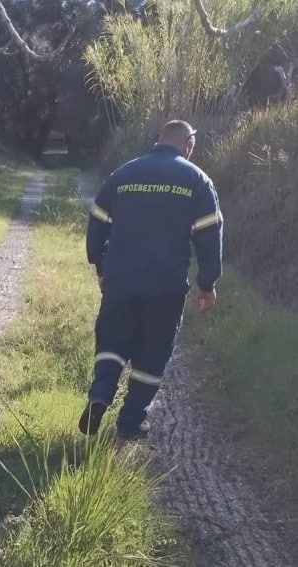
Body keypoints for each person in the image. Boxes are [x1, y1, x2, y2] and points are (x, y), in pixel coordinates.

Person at [79, 119, 223, 440]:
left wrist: (100, 264)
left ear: (159, 139)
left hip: (120, 280)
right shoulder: (197, 181)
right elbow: (209, 235)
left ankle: (100, 393)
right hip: (165, 287)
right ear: (188, 145)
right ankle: (130, 423)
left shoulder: (125, 173)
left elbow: (98, 221)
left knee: (112, 339)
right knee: (153, 352)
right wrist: (207, 282)